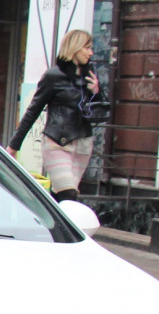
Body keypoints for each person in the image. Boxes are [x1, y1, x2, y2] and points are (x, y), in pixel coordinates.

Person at [8, 29, 106, 202]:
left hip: (83, 143)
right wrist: (14, 146)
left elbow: (100, 110)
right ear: (75, 47)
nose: (91, 52)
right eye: (87, 47)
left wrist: (97, 92)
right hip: (57, 143)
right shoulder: (54, 76)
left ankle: (47, 224)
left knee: (63, 196)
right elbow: (33, 110)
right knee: (69, 194)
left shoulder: (89, 76)